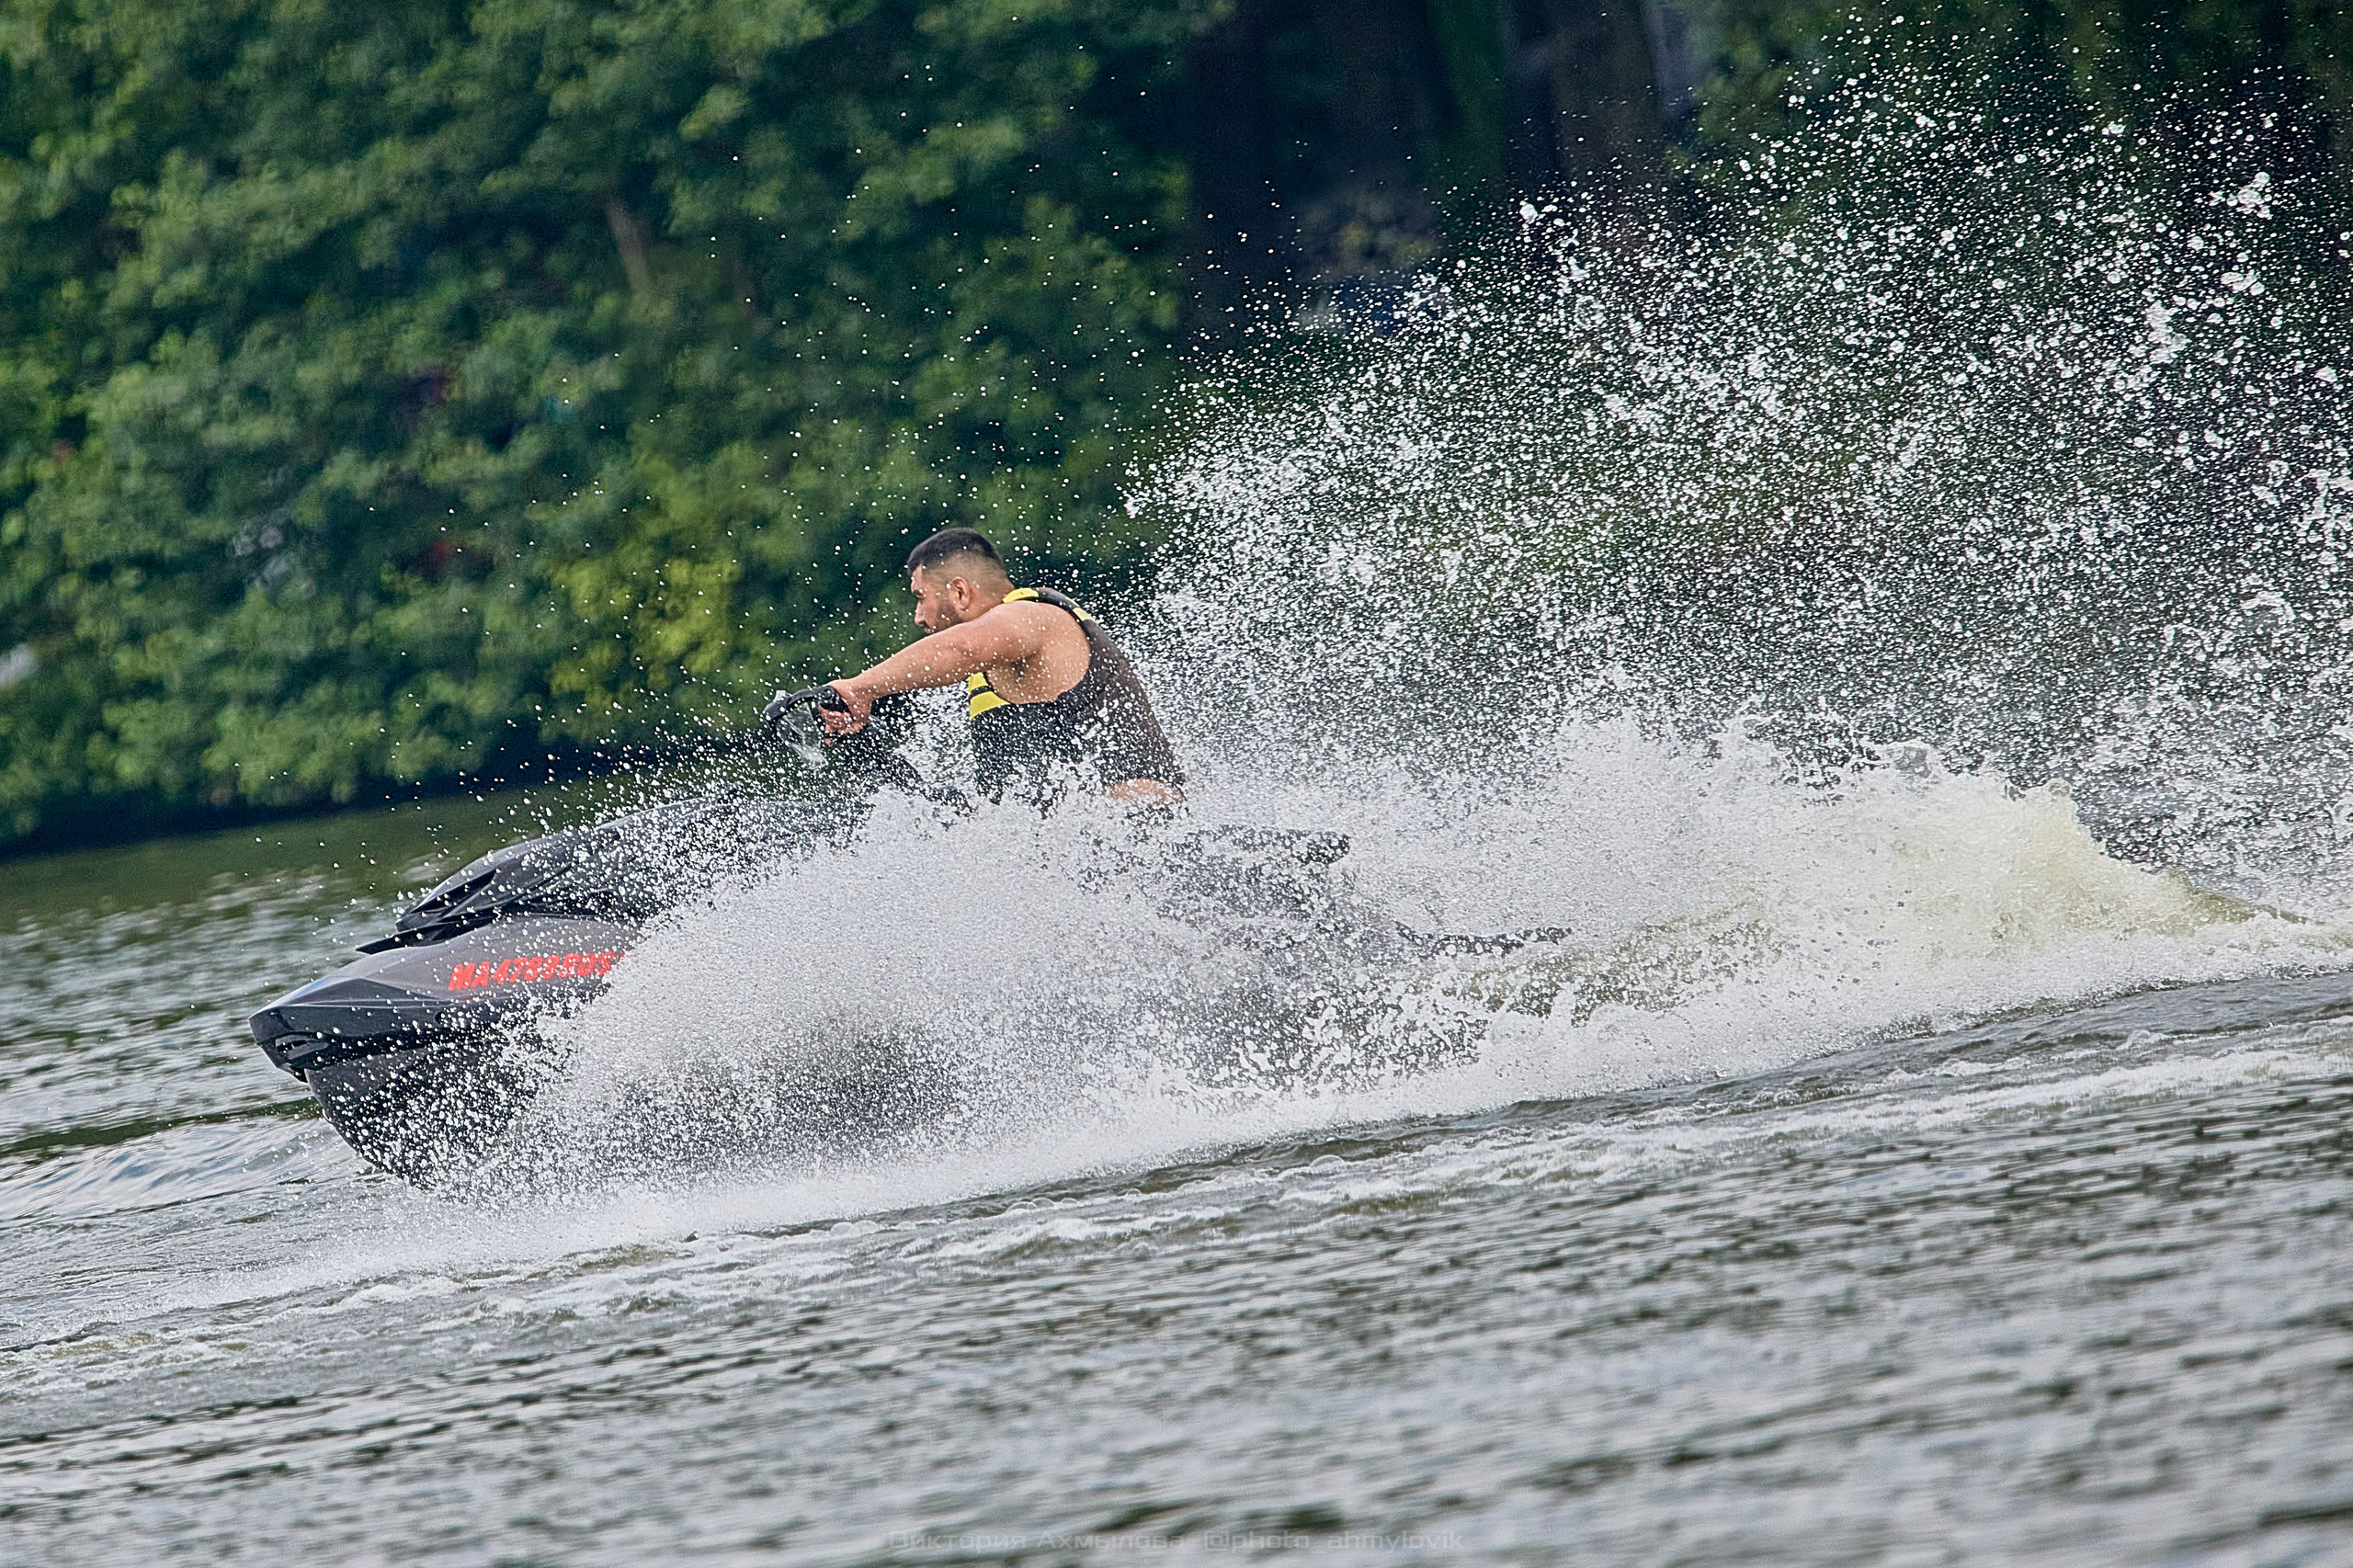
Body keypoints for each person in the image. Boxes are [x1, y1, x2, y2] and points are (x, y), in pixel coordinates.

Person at [815, 527, 1185, 806]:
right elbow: (979, 820)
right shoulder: (990, 670)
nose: (918, 617)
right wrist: (862, 749)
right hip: (1073, 864)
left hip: (1144, 843)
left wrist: (858, 687)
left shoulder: (1034, 616)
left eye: (920, 598)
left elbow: (963, 648)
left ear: (959, 592)